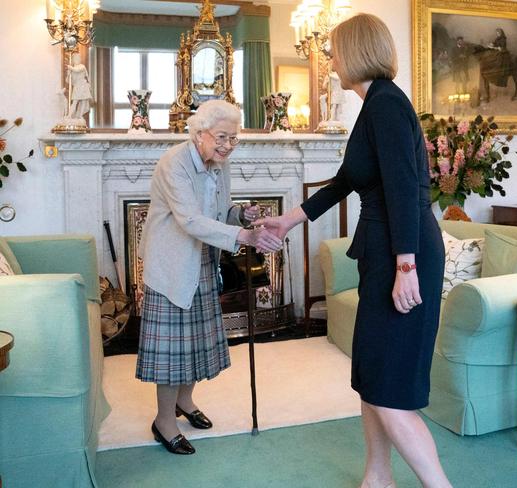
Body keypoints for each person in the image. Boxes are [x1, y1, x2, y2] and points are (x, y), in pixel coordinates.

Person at [255, 14, 451, 488]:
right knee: (370, 377)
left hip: (402, 253)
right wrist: (290, 218)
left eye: (336, 50)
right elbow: (347, 180)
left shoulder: (384, 105)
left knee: (388, 389)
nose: (331, 58)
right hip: (385, 251)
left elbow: (405, 188)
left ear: (358, 51)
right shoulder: (374, 105)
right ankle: (377, 477)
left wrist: (406, 265)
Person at [136, 99, 283, 455]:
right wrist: (244, 237)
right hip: (172, 264)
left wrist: (239, 214)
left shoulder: (219, 165)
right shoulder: (174, 163)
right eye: (222, 137)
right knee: (172, 352)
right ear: (199, 133)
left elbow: (217, 211)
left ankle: (184, 402)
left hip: (202, 259)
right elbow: (188, 219)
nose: (228, 145)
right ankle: (163, 422)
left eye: (234, 138)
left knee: (196, 344)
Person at [67, 53, 92, 120]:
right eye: (75, 58)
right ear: (73, 60)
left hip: (83, 86)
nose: (77, 60)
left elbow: (77, 70)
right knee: (74, 102)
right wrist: (68, 74)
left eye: (78, 58)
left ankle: (80, 115)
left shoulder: (82, 66)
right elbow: (68, 81)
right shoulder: (72, 69)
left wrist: (70, 68)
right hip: (77, 87)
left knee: (84, 101)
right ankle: (69, 116)